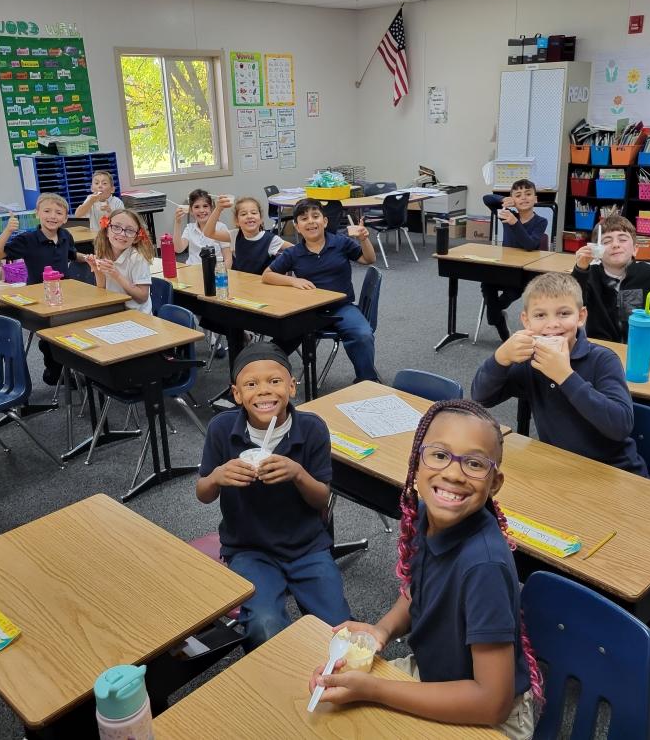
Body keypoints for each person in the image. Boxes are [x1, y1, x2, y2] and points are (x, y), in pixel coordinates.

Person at [309, 399, 540, 737]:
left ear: (494, 483)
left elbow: (493, 703)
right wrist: (382, 631)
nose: (452, 473)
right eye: (440, 455)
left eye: (474, 463)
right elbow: (420, 590)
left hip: (492, 720)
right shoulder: (428, 517)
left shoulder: (484, 567)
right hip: (436, 677)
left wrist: (374, 690)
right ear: (417, 464)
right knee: (336, 711)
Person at [197, 343, 352, 650]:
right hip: (249, 548)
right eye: (251, 384)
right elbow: (203, 493)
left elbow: (322, 500)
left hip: (307, 545)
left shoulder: (311, 429)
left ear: (292, 388)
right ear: (237, 394)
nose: (264, 392)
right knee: (264, 628)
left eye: (275, 381)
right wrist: (217, 476)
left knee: (340, 631)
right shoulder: (221, 429)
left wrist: (297, 473)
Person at [472, 272, 648, 477]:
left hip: (616, 472)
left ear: (581, 316)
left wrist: (565, 376)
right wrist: (500, 358)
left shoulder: (603, 360)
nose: (553, 324)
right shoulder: (531, 360)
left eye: (564, 314)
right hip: (562, 469)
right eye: (540, 315)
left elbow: (620, 426)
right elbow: (481, 397)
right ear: (526, 321)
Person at [262, 198, 379, 383]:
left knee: (362, 334)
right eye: (304, 218)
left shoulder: (340, 243)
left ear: (324, 221)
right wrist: (293, 281)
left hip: (341, 307)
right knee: (280, 340)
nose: (310, 221)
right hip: (307, 310)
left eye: (315, 216)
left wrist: (364, 239)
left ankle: (368, 381)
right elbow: (267, 275)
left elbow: (368, 259)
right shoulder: (294, 252)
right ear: (297, 226)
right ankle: (266, 379)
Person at [0, 192, 90, 385]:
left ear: (65, 218)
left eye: (59, 213)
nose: (53, 216)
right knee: (50, 336)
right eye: (47, 211)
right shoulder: (28, 239)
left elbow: (71, 254)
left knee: (77, 328)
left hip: (64, 295)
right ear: (37, 214)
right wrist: (8, 231)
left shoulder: (65, 235)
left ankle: (72, 370)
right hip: (39, 299)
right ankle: (54, 371)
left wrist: (86, 258)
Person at [572, 214, 650, 351]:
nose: (615, 245)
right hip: (599, 350)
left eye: (622, 239)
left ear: (635, 248)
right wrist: (580, 270)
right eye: (606, 241)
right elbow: (572, 302)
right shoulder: (590, 275)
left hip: (641, 350)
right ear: (596, 250)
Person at [481, 180, 547, 342]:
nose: (523, 198)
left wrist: (514, 223)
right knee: (486, 281)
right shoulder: (507, 214)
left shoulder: (540, 221)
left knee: (510, 293)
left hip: (527, 273)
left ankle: (495, 317)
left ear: (535, 199)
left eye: (528, 194)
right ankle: (497, 318)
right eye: (518, 195)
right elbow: (487, 199)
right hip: (506, 267)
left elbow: (530, 245)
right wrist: (502, 200)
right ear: (513, 200)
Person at [203, 194, 291, 275]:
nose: (249, 216)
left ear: (260, 219)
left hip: (261, 287)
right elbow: (208, 232)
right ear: (237, 221)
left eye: (254, 213)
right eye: (243, 214)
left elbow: (296, 250)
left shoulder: (271, 240)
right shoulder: (235, 235)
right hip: (240, 285)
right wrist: (218, 209)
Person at [88, 208, 155, 314]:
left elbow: (142, 297)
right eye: (116, 227)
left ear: (136, 237)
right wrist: (97, 271)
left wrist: (117, 275)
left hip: (138, 316)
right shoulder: (103, 252)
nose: (122, 234)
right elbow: (103, 290)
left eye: (130, 230)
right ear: (106, 231)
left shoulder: (138, 258)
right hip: (115, 311)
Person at [172, 188, 232, 268]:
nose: (201, 210)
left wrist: (220, 274)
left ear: (211, 208)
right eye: (196, 207)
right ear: (191, 211)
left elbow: (228, 259)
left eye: (205, 206)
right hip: (192, 271)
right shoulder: (189, 228)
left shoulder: (220, 227)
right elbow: (178, 249)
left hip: (214, 272)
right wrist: (177, 222)